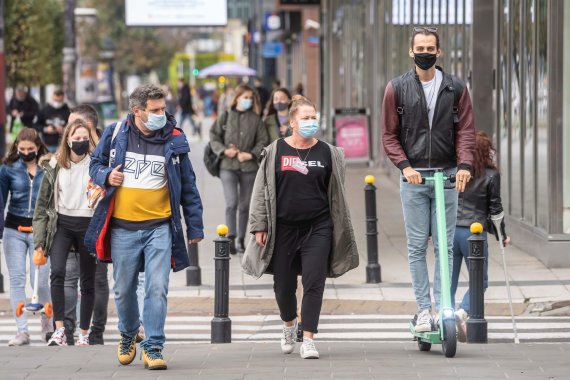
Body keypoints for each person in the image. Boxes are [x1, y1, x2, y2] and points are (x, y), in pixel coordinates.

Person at [85, 84, 204, 370]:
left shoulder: (175, 139)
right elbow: (95, 165)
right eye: (154, 110)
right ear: (137, 111)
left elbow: (188, 185)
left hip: (160, 227)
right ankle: (128, 334)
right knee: (124, 289)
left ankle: (153, 346)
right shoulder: (115, 134)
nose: (161, 114)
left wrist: (195, 227)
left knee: (157, 288)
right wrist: (106, 175)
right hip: (123, 228)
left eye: (163, 108)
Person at [242, 94, 359, 359]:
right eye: (305, 118)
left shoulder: (328, 152)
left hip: (318, 226)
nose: (310, 122)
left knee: (314, 281)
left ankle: (308, 338)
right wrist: (259, 224)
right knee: (283, 286)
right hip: (282, 227)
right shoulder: (275, 150)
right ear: (292, 122)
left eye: (313, 118)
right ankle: (288, 325)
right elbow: (260, 190)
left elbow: (335, 192)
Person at [381, 26, 475, 332]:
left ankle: (444, 306)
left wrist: (464, 165)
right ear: (411, 52)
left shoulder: (456, 88)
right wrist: (405, 166)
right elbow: (389, 135)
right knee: (417, 246)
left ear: (439, 52)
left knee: (445, 248)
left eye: (429, 48)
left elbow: (466, 132)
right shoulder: (396, 88)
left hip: (447, 175)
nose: (424, 53)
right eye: (419, 49)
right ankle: (424, 309)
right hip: (414, 178)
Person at [33, 119, 100, 346]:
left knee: (87, 281)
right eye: (76, 138)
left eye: (84, 138)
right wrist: (40, 241)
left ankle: (83, 333)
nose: (80, 142)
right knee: (57, 272)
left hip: (88, 225)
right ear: (67, 140)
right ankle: (60, 329)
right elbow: (42, 206)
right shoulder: (54, 165)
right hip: (62, 224)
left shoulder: (96, 164)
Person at [451, 131, 510, 342]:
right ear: (487, 152)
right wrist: (501, 235)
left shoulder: (456, 172)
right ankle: (462, 312)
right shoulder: (491, 175)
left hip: (451, 230)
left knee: (449, 280)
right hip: (474, 233)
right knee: (480, 281)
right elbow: (495, 209)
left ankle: (446, 319)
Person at [60, 104, 110, 345]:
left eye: (75, 124)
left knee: (96, 280)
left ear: (88, 126)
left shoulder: (104, 148)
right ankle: (68, 331)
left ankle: (95, 333)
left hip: (95, 225)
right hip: (68, 224)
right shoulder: (66, 150)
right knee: (68, 277)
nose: (70, 130)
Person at [0, 128, 50, 346]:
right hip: (14, 230)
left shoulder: (48, 167)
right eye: (22, 149)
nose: (26, 152)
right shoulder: (8, 169)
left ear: (38, 147)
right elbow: (0, 200)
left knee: (39, 281)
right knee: (17, 280)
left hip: (40, 231)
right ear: (16, 147)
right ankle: (22, 331)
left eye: (30, 149)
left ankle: (48, 326)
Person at [209, 84, 268, 254]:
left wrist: (251, 154)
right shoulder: (226, 116)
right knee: (232, 202)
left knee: (244, 205)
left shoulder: (256, 119)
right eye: (245, 97)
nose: (248, 100)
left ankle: (242, 239)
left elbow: (263, 141)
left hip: (249, 167)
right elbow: (213, 136)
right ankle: (231, 237)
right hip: (228, 166)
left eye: (250, 98)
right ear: (237, 98)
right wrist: (223, 150)